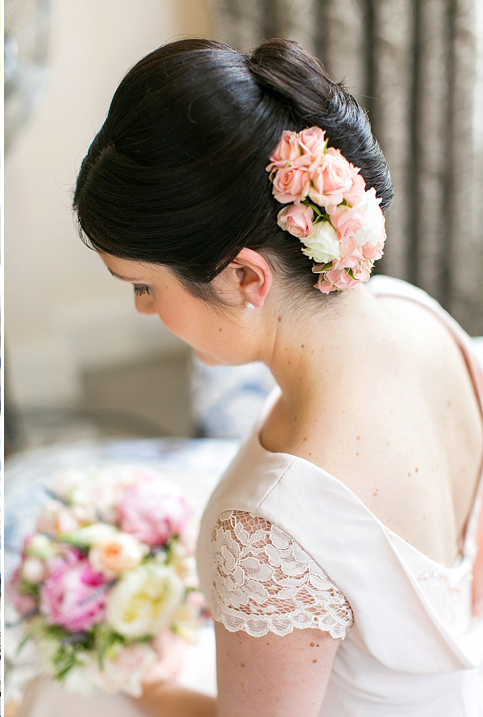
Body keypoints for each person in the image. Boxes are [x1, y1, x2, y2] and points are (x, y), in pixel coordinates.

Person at [71, 38, 483, 715]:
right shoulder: (424, 317)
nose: (144, 311)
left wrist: (157, 689)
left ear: (244, 276)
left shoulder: (268, 525)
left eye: (144, 287)